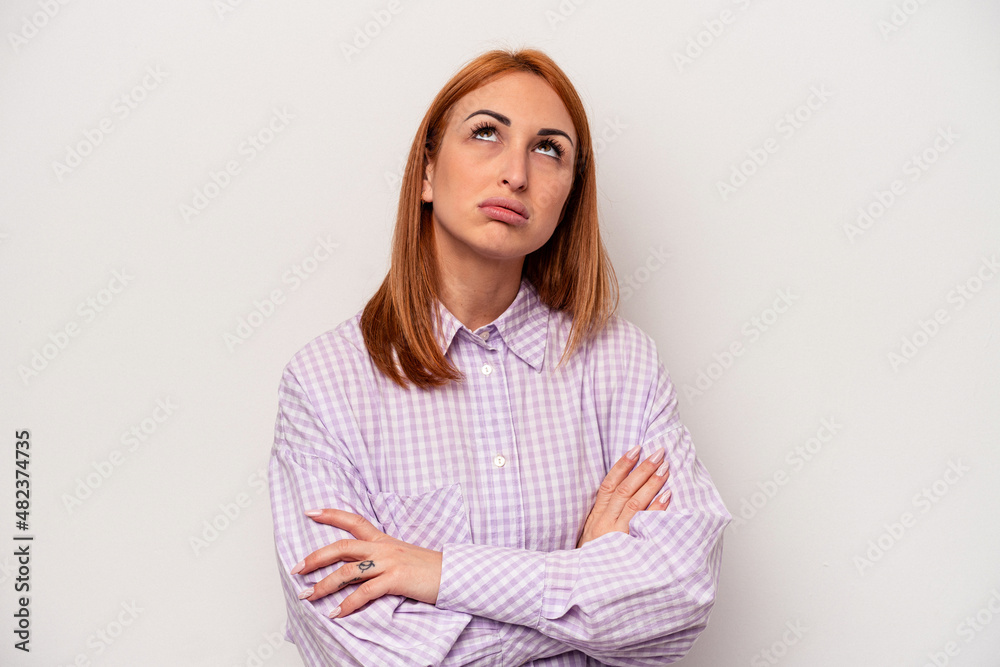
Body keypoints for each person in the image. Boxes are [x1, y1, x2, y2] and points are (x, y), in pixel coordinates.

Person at [268, 47, 731, 666]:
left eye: (549, 149)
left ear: (569, 195)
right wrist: (588, 586)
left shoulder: (623, 363)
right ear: (426, 172)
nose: (516, 173)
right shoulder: (325, 382)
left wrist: (439, 573)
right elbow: (363, 654)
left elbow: (679, 595)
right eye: (486, 132)